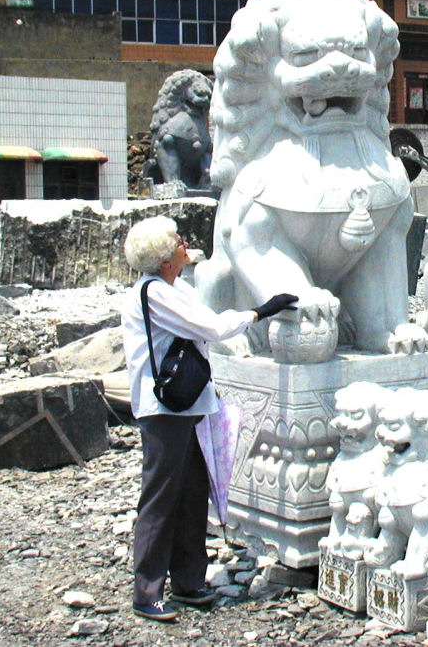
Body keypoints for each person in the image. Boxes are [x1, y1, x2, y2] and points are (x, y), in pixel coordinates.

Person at [121, 216, 296, 622]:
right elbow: (212, 327)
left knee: (191, 493)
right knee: (161, 498)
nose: (186, 244)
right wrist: (261, 312)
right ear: (165, 258)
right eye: (179, 241)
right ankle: (147, 592)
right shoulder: (154, 294)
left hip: (189, 407)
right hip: (165, 410)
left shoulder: (173, 287)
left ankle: (188, 582)